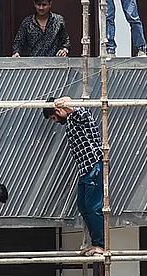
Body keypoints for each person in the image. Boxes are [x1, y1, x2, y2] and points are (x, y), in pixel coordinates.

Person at [43, 98, 105, 256]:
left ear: (58, 111)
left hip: (94, 166)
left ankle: (101, 245)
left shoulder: (79, 116)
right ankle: (95, 243)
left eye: (54, 117)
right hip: (85, 170)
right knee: (84, 208)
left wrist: (64, 103)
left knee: (93, 208)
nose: (55, 121)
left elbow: (80, 113)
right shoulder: (70, 122)